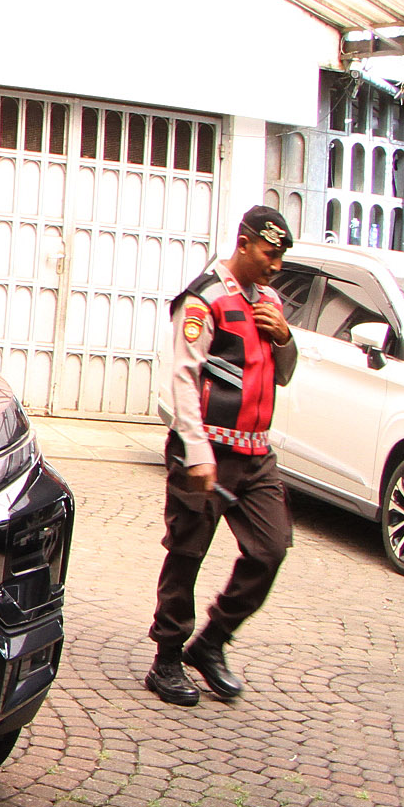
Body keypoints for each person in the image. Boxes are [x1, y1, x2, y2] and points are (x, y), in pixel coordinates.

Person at [144, 205, 300, 707]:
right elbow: (185, 379)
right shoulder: (203, 299)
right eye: (269, 253)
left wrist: (286, 337)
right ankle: (167, 657)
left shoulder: (270, 301)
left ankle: (210, 643)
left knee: (270, 549)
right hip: (205, 449)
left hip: (256, 456)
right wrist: (195, 452)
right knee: (186, 552)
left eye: (279, 257)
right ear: (244, 242)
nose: (275, 265)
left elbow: (284, 373)